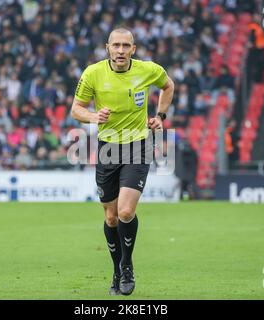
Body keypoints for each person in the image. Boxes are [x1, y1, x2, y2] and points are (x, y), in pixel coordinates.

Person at [71, 28, 174, 296]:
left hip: (138, 145)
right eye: (115, 45)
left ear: (133, 48)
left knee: (126, 212)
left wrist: (160, 116)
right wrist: (94, 117)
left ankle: (127, 266)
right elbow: (76, 109)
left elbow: (168, 85)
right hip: (108, 150)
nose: (120, 50)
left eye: (125, 45)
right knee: (111, 217)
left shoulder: (148, 70)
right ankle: (116, 270)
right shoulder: (93, 73)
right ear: (107, 47)